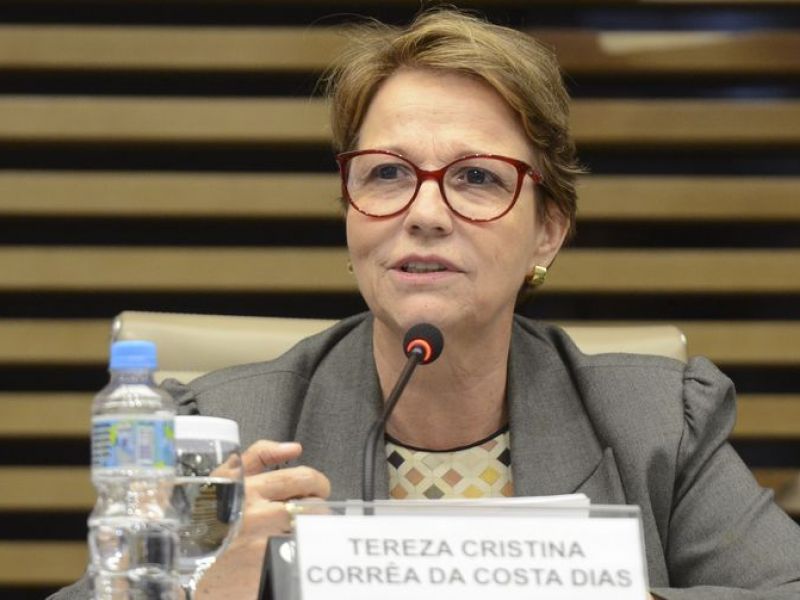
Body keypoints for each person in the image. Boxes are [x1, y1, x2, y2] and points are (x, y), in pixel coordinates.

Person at [52, 8, 800, 600]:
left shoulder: (657, 425)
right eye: (387, 174)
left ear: (547, 231)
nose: (426, 213)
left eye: (477, 177)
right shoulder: (228, 433)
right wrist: (196, 593)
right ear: (349, 215)